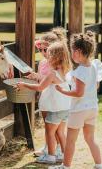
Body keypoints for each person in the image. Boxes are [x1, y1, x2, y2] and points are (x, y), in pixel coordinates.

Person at [50, 31, 102, 169]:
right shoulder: (93, 66)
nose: (71, 54)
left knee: (70, 141)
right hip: (92, 108)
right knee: (90, 139)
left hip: (79, 110)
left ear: (79, 51)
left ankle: (65, 166)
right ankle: (99, 165)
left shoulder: (80, 71)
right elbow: (95, 85)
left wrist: (63, 91)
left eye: (73, 51)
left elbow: (79, 93)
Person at [16, 41, 72, 164]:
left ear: (55, 57)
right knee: (60, 132)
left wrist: (24, 84)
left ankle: (51, 157)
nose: (47, 57)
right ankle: (63, 155)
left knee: (50, 132)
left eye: (49, 55)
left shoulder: (52, 74)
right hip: (65, 108)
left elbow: (40, 87)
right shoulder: (65, 70)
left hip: (55, 109)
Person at [26, 27, 68, 160]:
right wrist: (36, 76)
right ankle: (48, 148)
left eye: (46, 50)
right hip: (46, 96)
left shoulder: (56, 64)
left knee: (55, 128)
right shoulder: (44, 63)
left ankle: (56, 151)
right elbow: (43, 80)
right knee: (48, 125)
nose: (43, 52)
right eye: (41, 50)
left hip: (55, 98)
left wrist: (37, 77)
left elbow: (48, 80)